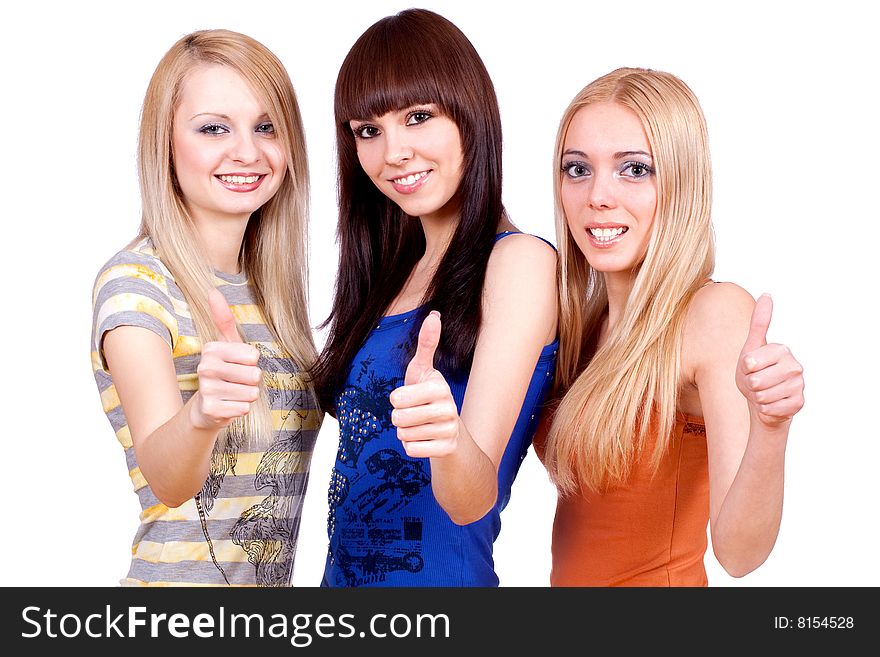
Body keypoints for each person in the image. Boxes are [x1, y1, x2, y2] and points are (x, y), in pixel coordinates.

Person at [312, 8, 559, 587]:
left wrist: (446, 438)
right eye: (368, 130)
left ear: (471, 117)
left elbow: (472, 498)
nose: (393, 152)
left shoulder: (519, 262)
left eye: (418, 117)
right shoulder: (392, 271)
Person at [535, 67, 805, 586]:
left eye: (634, 170)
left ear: (681, 182)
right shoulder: (586, 324)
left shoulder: (713, 313)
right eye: (577, 169)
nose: (598, 195)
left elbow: (739, 554)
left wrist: (771, 428)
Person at [90, 29, 321, 586]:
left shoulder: (271, 292)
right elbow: (166, 479)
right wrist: (201, 416)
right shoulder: (137, 285)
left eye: (266, 126)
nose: (247, 151)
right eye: (214, 128)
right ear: (165, 143)